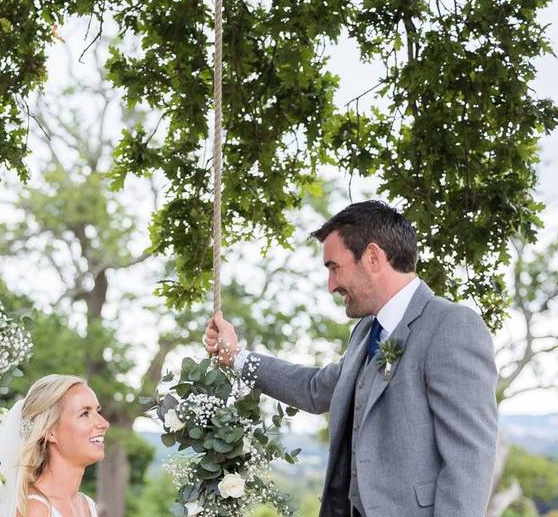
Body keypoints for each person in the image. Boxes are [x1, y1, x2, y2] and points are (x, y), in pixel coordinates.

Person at [205, 200, 498, 517]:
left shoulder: (451, 325)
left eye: (334, 268)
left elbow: (470, 459)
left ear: (372, 257)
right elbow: (315, 389)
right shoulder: (365, 333)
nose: (331, 286)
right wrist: (234, 357)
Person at [0, 374, 109, 517]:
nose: (104, 424)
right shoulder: (35, 510)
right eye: (84, 414)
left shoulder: (88, 506)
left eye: (97, 411)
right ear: (50, 431)